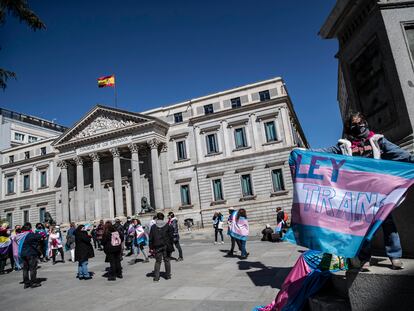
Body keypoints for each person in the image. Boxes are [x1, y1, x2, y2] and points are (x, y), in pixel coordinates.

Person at [314, 112, 414, 270]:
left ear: (365, 123)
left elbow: (398, 153)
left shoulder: (377, 141)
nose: (358, 126)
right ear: (349, 128)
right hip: (358, 193)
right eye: (354, 124)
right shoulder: (344, 145)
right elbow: (326, 152)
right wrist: (305, 152)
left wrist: (411, 158)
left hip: (379, 190)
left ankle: (395, 256)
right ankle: (365, 258)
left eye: (360, 123)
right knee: (363, 226)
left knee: (387, 223)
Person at [149, 212, 174, 282]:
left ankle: (156, 277)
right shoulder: (167, 225)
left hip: (157, 246)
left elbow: (150, 238)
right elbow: (171, 236)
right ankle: (168, 275)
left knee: (158, 261)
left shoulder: (153, 227)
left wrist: (151, 247)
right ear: (163, 218)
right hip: (166, 245)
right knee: (167, 260)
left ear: (157, 218)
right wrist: (171, 245)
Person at [20, 222, 42, 288]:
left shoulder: (21, 235)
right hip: (31, 253)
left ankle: (26, 283)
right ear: (29, 228)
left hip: (23, 253)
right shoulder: (30, 234)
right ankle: (33, 282)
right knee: (32, 268)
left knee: (25, 269)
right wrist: (38, 231)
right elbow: (39, 236)